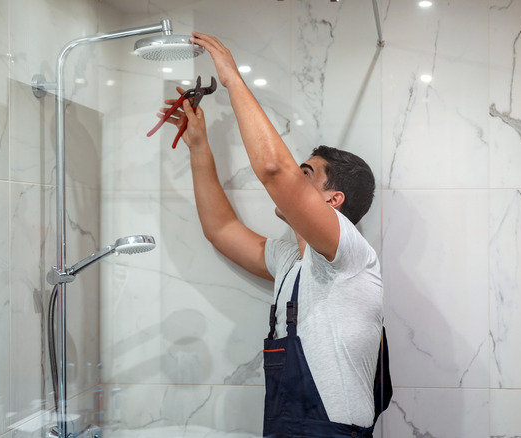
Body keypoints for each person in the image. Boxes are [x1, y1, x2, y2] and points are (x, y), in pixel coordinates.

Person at [159, 32, 383, 438]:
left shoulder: (349, 254)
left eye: (306, 175)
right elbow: (221, 229)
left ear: (334, 200)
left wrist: (231, 79)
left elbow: (274, 170)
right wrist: (198, 145)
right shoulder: (290, 261)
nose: (293, 182)